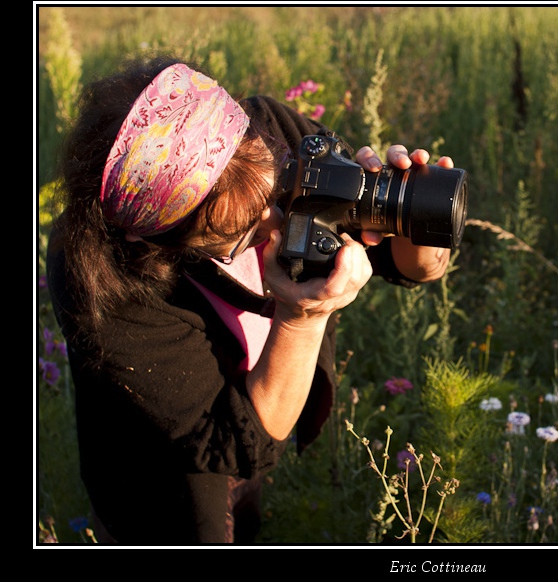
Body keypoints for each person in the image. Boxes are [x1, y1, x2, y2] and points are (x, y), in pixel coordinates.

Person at [45, 57, 455, 544]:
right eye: (240, 232)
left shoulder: (278, 138)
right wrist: (303, 318)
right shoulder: (104, 279)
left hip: (267, 404)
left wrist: (410, 213)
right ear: (159, 241)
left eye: (278, 186)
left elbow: (412, 267)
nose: (276, 220)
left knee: (252, 517)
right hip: (169, 470)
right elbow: (237, 443)